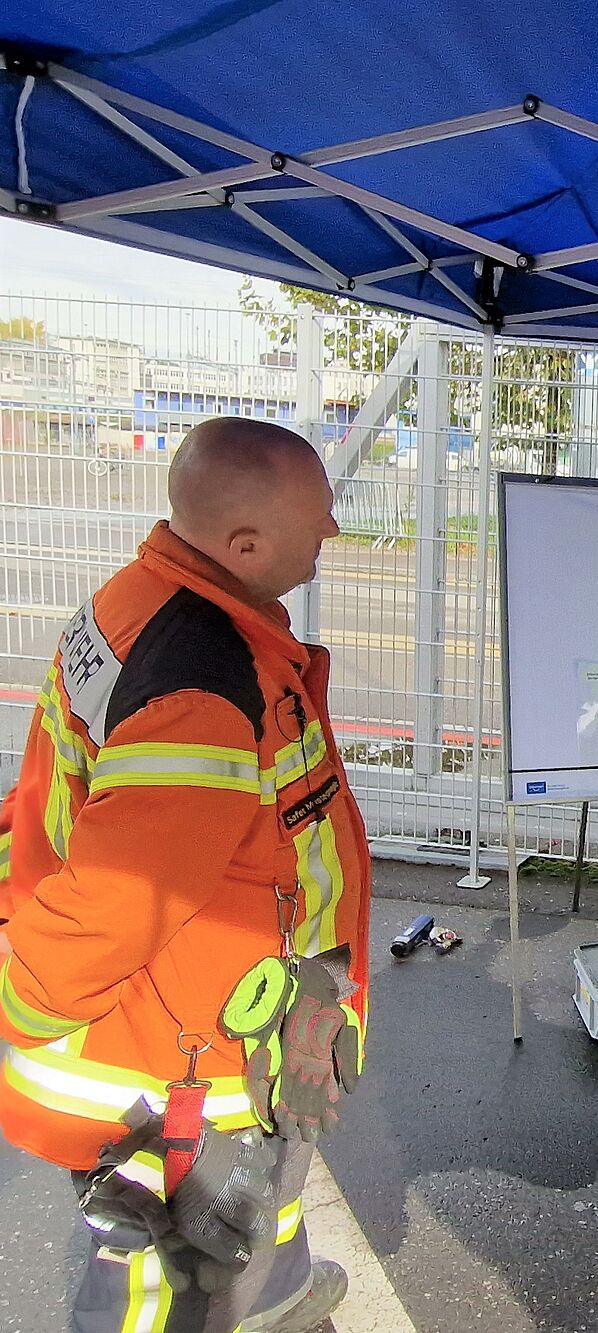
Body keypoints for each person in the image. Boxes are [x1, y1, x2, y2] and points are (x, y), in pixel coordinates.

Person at [0, 418, 372, 1332]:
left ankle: (275, 1297)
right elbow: (130, 893)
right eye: (318, 519)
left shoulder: (142, 602)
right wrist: (23, 1009)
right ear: (244, 544)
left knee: (244, 1210)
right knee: (160, 1275)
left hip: (208, 1023)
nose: (331, 533)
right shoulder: (201, 679)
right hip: (172, 1053)